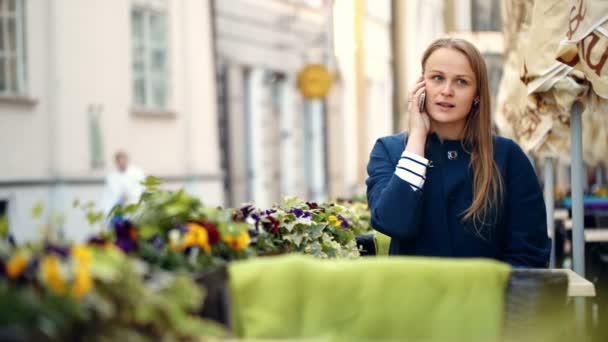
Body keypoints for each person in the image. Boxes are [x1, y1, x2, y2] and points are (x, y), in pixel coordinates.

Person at [366, 38, 550, 267]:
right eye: (437, 78)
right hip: (413, 301)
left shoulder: (508, 157)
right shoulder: (389, 151)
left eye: (461, 82)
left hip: (488, 300)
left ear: (477, 95)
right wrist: (417, 139)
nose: (447, 91)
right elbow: (394, 222)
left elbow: (529, 255)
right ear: (421, 85)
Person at [102, 150, 145, 215]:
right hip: (119, 208)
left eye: (123, 160)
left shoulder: (137, 173)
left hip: (134, 205)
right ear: (116, 162)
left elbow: (141, 188)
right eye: (119, 161)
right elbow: (109, 195)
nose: (121, 163)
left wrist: (130, 194)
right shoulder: (112, 177)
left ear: (127, 160)